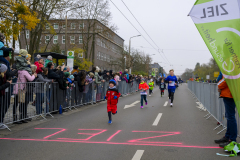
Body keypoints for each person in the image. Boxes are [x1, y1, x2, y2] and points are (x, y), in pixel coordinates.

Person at [214, 76, 238, 148]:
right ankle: (228, 137)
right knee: (229, 116)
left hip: (229, 93)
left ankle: (232, 140)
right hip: (230, 92)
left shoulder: (229, 66)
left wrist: (219, 85)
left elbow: (227, 78)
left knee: (230, 117)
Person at [0, 64, 12, 129]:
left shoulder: (3, 76)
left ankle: (1, 122)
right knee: (1, 108)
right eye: (5, 70)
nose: (6, 71)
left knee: (3, 108)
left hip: (2, 94)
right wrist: (8, 84)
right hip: (0, 94)